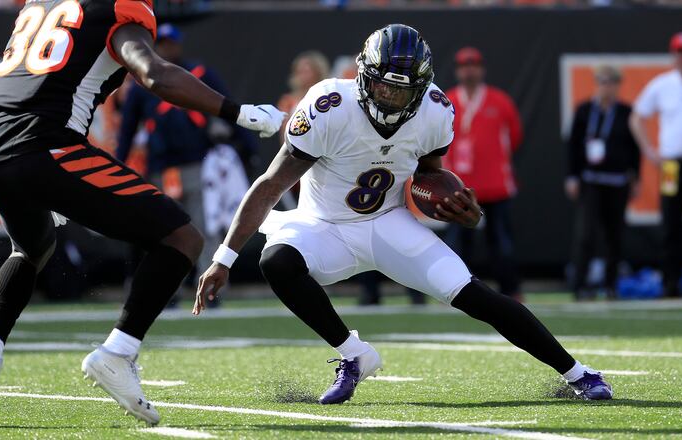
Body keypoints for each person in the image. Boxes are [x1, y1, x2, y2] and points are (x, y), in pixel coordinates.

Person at [0, 0, 284, 425]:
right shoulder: (119, 8)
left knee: (31, 249)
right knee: (183, 239)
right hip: (48, 146)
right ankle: (118, 353)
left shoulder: (42, 3)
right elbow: (154, 74)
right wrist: (239, 112)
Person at [196, 24, 613, 405]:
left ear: (422, 87)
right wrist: (223, 258)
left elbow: (430, 174)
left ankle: (579, 373)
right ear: (363, 77)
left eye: (403, 91)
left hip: (387, 222)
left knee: (474, 295)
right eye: (383, 87)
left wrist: (455, 207)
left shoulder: (434, 111)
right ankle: (354, 354)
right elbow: (270, 185)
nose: (392, 98)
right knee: (277, 261)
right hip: (322, 226)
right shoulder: (327, 105)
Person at [117, 24, 258, 307]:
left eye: (172, 43)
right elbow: (128, 127)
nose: (168, 49)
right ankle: (166, 289)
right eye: (164, 43)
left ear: (179, 45)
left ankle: (209, 289)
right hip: (160, 168)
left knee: (204, 228)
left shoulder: (199, 74)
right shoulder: (142, 81)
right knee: (164, 231)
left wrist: (248, 146)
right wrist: (120, 162)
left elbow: (228, 104)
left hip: (198, 164)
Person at [443, 47, 523, 300]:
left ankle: (510, 289)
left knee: (501, 242)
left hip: (495, 184)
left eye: (474, 65)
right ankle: (457, 292)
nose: (469, 70)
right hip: (459, 186)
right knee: (458, 245)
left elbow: (515, 137)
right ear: (457, 71)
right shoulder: (447, 101)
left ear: (482, 69)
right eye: (465, 66)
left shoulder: (500, 101)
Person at [567, 65, 640, 300]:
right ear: (596, 83)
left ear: (619, 85)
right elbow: (573, 145)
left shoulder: (627, 112)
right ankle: (580, 285)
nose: (606, 86)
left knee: (614, 235)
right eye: (602, 81)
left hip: (617, 181)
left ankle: (610, 285)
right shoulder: (585, 110)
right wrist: (572, 176)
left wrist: (635, 176)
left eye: (611, 82)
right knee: (585, 234)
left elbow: (634, 147)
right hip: (590, 179)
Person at [630, 32, 682, 298]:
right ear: (673, 55)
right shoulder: (663, 84)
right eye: (680, 52)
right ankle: (670, 282)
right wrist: (650, 151)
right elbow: (637, 117)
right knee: (671, 221)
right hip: (672, 164)